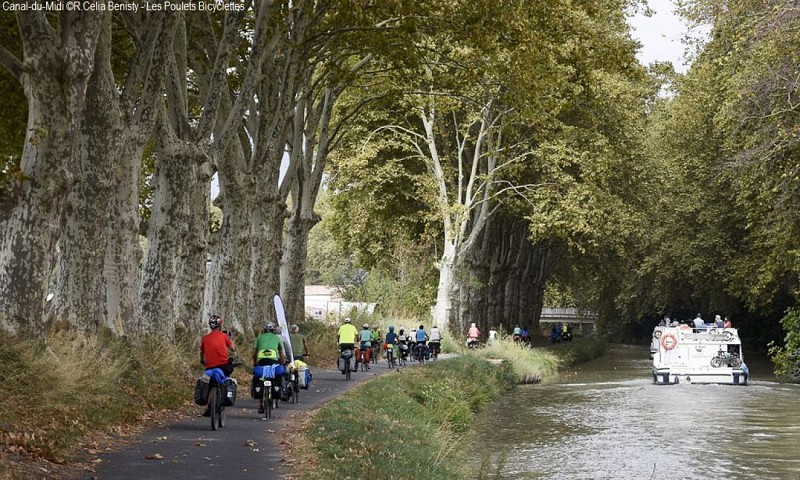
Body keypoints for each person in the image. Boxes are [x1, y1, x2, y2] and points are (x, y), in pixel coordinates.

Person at [200, 314, 237, 416]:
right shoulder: (224, 336)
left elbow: (202, 353)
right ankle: (223, 397)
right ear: (220, 326)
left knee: (207, 382)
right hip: (223, 366)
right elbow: (233, 348)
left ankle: (209, 405)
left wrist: (202, 360)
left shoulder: (205, 338)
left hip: (210, 367)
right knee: (226, 378)